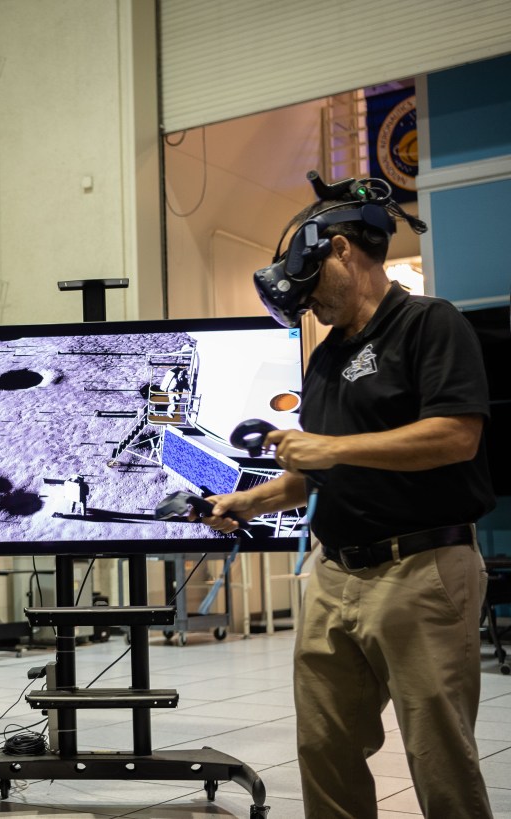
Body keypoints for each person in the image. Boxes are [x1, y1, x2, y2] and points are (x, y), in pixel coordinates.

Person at [196, 179, 495, 818]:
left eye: (311, 290)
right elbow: (315, 471)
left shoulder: (429, 324)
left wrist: (329, 450)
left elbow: (455, 436)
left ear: (341, 251)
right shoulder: (326, 358)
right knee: (324, 746)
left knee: (438, 754)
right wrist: (249, 502)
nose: (309, 308)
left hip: (421, 570)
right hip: (334, 574)